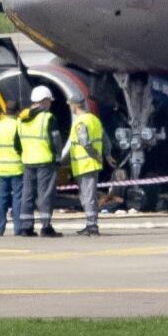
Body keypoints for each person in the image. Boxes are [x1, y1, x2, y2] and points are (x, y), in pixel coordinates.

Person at [18, 86, 63, 237]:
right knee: (45, 194)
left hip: (28, 161)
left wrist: (24, 154)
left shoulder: (21, 119)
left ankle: (26, 227)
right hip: (45, 161)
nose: (50, 103)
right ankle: (46, 226)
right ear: (44, 101)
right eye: (49, 101)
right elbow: (56, 140)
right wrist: (58, 157)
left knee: (27, 194)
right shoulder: (48, 118)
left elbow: (16, 143)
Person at [58, 94, 105, 237]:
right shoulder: (94, 119)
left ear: (75, 105)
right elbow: (105, 138)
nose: (69, 107)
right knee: (86, 195)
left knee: (88, 196)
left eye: (70, 105)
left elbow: (85, 143)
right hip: (88, 164)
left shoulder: (80, 123)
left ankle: (92, 226)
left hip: (85, 164)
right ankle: (90, 224)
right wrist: (106, 155)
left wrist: (95, 155)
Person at [0, 100, 25, 237]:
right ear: (18, 111)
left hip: (1, 168)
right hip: (17, 167)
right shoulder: (19, 126)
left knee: (1, 200)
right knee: (18, 199)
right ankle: (18, 228)